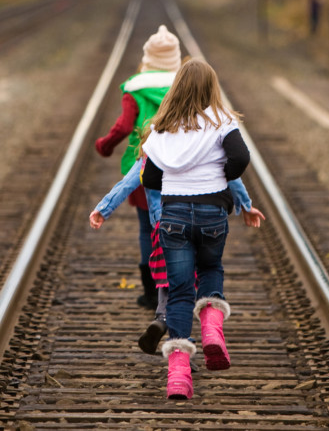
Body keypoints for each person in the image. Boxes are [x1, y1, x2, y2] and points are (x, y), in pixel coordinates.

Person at [140, 58, 265, 399]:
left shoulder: (161, 127)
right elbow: (240, 159)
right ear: (212, 88)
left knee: (179, 292)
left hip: (174, 216)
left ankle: (179, 376)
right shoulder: (222, 121)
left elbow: (150, 177)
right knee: (210, 268)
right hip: (212, 214)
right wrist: (215, 175)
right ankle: (211, 329)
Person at [88, 156, 258, 355]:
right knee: (189, 283)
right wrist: (245, 205)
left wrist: (103, 209)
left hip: (164, 223)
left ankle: (163, 319)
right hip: (202, 216)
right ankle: (191, 333)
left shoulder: (154, 148)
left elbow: (127, 183)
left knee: (170, 279)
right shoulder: (204, 143)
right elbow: (233, 177)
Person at [94, 24, 182, 311]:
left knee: (147, 228)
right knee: (178, 224)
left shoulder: (135, 87)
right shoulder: (184, 85)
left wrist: (105, 145)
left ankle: (150, 293)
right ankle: (180, 286)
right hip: (181, 164)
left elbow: (122, 126)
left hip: (144, 166)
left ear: (148, 57)